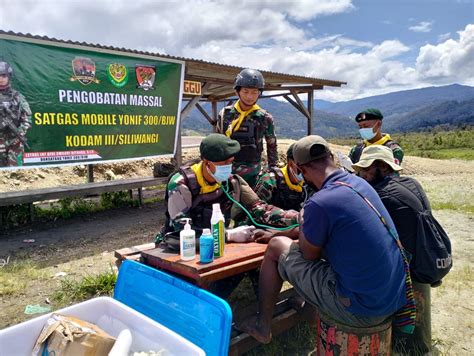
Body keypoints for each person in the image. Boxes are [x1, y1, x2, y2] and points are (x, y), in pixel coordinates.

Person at [238, 135, 413, 344]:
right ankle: (306, 306)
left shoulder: (320, 202)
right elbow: (323, 230)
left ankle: (262, 326)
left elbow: (308, 254)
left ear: (301, 170)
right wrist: (278, 233)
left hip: (362, 309)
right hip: (391, 298)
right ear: (330, 156)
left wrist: (291, 229)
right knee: (283, 241)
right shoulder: (358, 184)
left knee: (276, 249)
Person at [352, 145, 437, 354]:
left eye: (364, 171)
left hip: (408, 269)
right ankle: (418, 346)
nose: (361, 176)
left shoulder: (380, 195)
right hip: (427, 258)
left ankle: (403, 347)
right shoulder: (411, 183)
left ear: (379, 168)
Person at [159, 133, 298, 243]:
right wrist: (228, 235)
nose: (228, 167)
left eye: (230, 162)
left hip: (218, 245)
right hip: (181, 246)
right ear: (207, 163)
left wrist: (296, 218)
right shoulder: (181, 184)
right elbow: (182, 230)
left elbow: (259, 209)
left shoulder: (232, 182)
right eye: (223, 163)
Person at [215, 68, 278, 188]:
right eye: (246, 91)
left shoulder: (264, 117)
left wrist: (273, 170)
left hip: (254, 173)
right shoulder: (225, 114)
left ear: (259, 93)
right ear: (237, 92)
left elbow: (272, 146)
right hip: (228, 172)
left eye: (254, 92)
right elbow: (218, 142)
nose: (250, 96)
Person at [255, 143, 311, 211]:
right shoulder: (271, 181)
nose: (307, 169)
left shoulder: (310, 183)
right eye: (302, 165)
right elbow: (257, 209)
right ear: (290, 163)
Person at [0, 61, 32, 167]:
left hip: (15, 143)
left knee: (15, 173)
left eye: (3, 75)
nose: (1, 78)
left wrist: (18, 136)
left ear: (9, 76)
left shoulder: (17, 97)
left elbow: (27, 119)